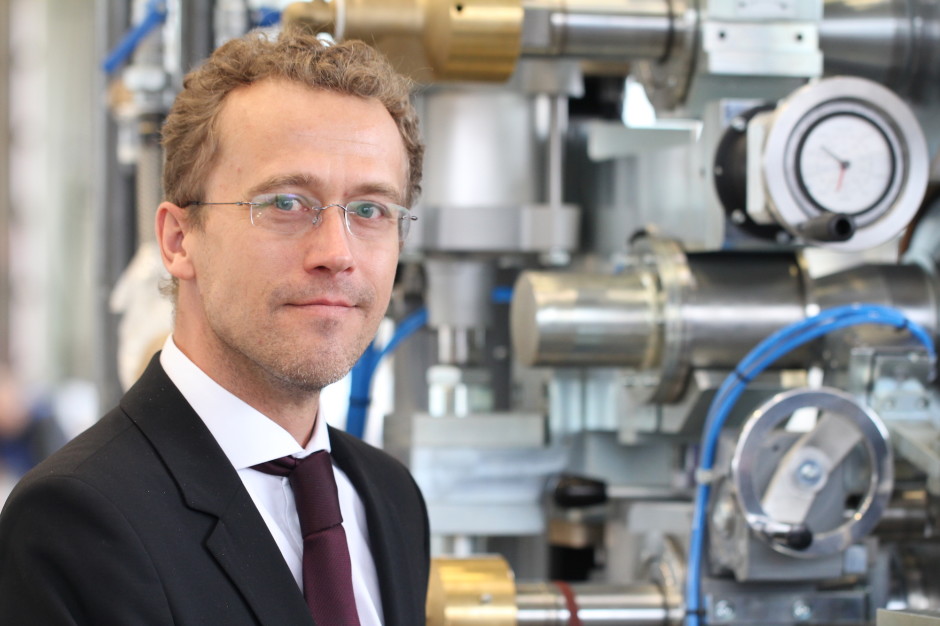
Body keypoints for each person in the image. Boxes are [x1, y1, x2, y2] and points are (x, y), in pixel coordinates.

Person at [0, 27, 429, 625]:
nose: (337, 252)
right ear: (179, 240)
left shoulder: (390, 498)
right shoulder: (76, 519)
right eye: (285, 203)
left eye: (369, 210)